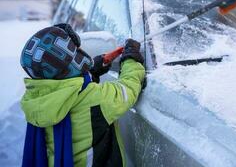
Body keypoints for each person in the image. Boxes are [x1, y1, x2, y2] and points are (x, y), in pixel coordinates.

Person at [20, 24, 145, 167]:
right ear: (71, 62)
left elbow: (63, 83)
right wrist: (131, 59)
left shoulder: (36, 97)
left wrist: (92, 71)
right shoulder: (95, 98)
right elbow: (128, 88)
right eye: (75, 49)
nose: (80, 50)